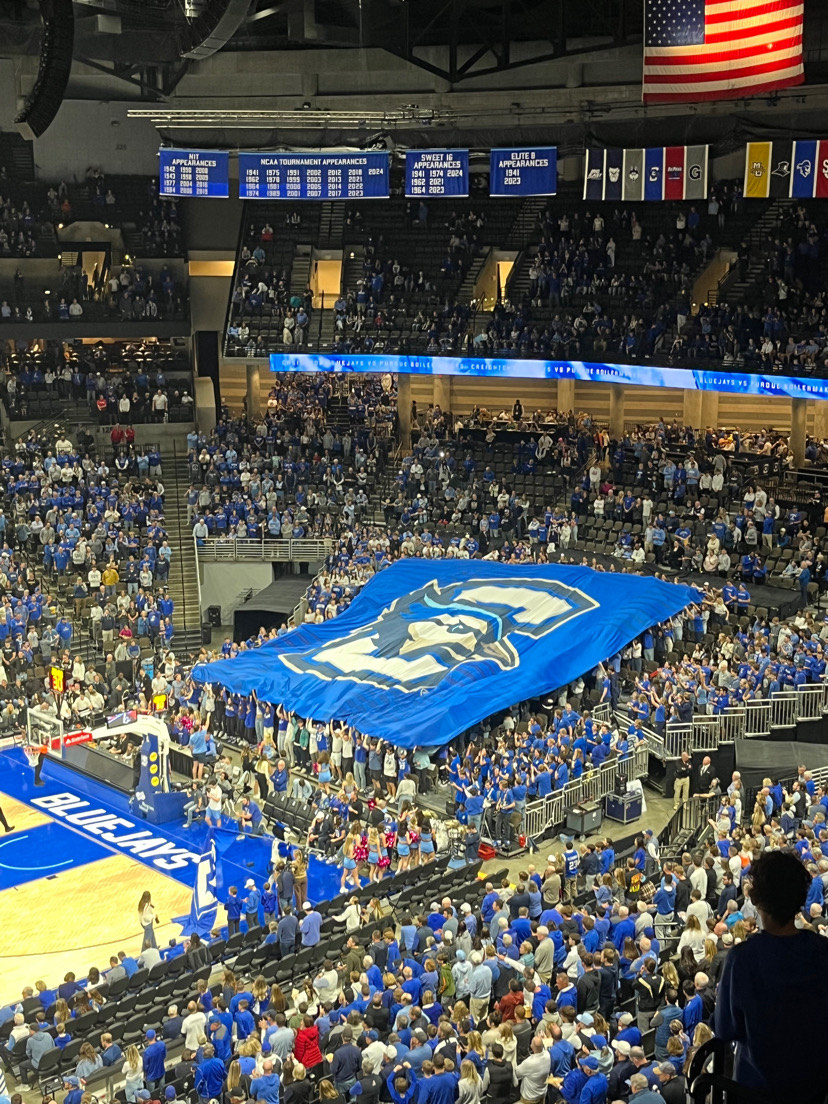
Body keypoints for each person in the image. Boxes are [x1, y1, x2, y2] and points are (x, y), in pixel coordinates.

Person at [714, 850, 828, 1103]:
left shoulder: (742, 958)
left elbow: (725, 1029)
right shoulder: (822, 952)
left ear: (755, 898)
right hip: (812, 1088)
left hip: (756, 1089)